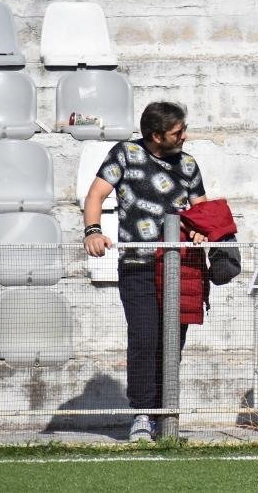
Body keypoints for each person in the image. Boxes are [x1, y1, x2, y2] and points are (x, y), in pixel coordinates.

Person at [83, 101, 207, 442]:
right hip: (137, 265)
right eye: (177, 132)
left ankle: (164, 414)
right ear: (156, 135)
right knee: (144, 338)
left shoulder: (188, 164)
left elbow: (202, 212)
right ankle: (141, 414)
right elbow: (95, 195)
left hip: (180, 268)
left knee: (172, 343)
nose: (185, 136)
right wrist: (93, 231)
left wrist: (200, 229)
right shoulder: (124, 154)